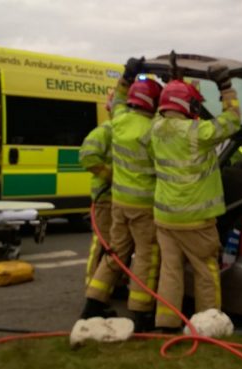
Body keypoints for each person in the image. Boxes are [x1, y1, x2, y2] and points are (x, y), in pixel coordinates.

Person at [149, 65, 241, 332]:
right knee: (205, 271)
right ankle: (208, 324)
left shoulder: (155, 129)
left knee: (170, 270)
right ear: (186, 105)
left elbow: (163, 112)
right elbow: (233, 120)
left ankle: (166, 324)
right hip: (196, 220)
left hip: (165, 217)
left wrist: (174, 85)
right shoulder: (197, 133)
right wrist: (225, 87)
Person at [81, 59, 163, 331]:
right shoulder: (153, 131)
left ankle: (93, 303)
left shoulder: (118, 120)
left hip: (118, 203)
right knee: (146, 257)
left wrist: (128, 75)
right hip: (144, 207)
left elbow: (117, 99)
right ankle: (140, 313)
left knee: (115, 253)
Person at [79, 92, 114, 288]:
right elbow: (87, 156)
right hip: (106, 196)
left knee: (116, 245)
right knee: (103, 242)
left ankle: (110, 284)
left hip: (119, 197)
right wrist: (111, 176)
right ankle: (94, 286)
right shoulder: (106, 130)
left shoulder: (123, 129)